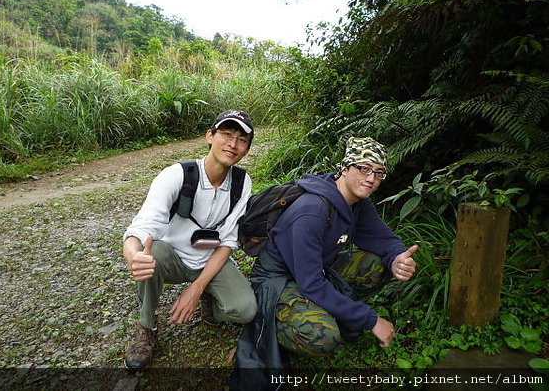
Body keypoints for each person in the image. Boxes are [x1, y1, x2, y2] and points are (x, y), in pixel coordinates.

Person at [228, 136, 418, 390]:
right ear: (345, 168)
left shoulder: (358, 204)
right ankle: (278, 324)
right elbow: (312, 284)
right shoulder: (313, 210)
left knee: (377, 264)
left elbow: (382, 237)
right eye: (364, 168)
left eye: (379, 172)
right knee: (323, 338)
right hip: (280, 280)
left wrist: (397, 258)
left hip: (314, 271)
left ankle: (327, 311)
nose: (371, 178)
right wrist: (370, 319)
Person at [122, 109, 258, 370]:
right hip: (170, 256)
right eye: (227, 134)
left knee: (245, 310)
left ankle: (207, 295)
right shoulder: (177, 175)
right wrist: (132, 254)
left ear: (247, 150)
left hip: (209, 259)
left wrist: (196, 289)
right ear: (210, 136)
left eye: (242, 140)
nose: (233, 144)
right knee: (151, 255)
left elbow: (228, 241)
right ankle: (146, 326)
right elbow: (142, 226)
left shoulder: (242, 183)